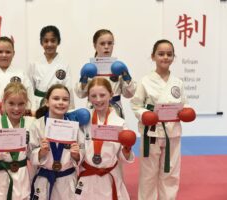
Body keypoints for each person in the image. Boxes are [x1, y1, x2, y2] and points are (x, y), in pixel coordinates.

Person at [130, 39, 195, 200]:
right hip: (151, 133)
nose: (165, 57)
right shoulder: (145, 81)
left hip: (173, 133)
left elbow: (184, 103)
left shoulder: (177, 82)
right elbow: (136, 104)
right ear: (153, 57)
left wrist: (187, 111)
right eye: (161, 54)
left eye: (169, 54)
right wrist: (145, 114)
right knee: (148, 173)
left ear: (174, 57)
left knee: (171, 171)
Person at [75, 77, 135, 200]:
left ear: (111, 95)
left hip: (109, 176)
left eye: (102, 95)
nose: (98, 100)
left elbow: (123, 157)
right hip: (87, 177)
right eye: (93, 96)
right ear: (88, 97)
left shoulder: (120, 123)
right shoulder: (83, 120)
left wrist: (127, 149)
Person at [29, 84, 84, 200]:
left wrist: (77, 155)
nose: (61, 102)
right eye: (56, 98)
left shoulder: (74, 126)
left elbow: (83, 148)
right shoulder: (37, 125)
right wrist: (40, 152)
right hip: (44, 179)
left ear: (69, 104)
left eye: (65, 100)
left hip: (67, 179)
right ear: (47, 102)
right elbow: (29, 152)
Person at [75, 29, 136, 118]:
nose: (106, 47)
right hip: (94, 109)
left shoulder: (119, 68)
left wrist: (126, 76)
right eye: (102, 43)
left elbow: (129, 94)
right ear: (95, 45)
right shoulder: (89, 68)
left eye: (110, 43)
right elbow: (80, 94)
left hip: (114, 111)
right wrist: (84, 78)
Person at [28, 25, 74, 111]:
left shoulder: (64, 64)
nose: (49, 44)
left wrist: (70, 110)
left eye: (53, 41)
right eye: (46, 41)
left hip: (58, 105)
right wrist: (30, 109)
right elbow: (29, 89)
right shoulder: (34, 63)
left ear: (58, 42)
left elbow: (68, 89)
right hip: (38, 105)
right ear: (41, 42)